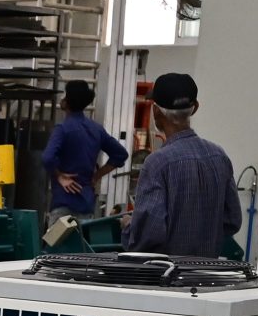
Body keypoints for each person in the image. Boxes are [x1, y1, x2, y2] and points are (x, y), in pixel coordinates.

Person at [125, 71, 241, 258]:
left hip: (166, 273)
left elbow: (147, 237)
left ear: (156, 112)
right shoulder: (219, 156)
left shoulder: (157, 163)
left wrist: (129, 227)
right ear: (195, 108)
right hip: (207, 271)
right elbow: (232, 221)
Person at [39, 79, 127, 215]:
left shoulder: (62, 129)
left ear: (67, 101)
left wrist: (59, 176)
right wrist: (96, 176)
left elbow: (47, 157)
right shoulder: (96, 129)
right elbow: (120, 154)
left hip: (64, 203)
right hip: (87, 203)